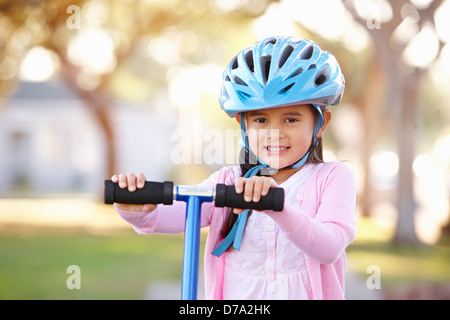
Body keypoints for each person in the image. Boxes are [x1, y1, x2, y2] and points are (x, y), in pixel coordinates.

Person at [112, 36, 356, 300]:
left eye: (291, 119)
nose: (274, 133)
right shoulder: (230, 180)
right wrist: (139, 210)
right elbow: (185, 211)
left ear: (321, 123)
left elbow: (330, 247)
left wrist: (276, 205)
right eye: (261, 120)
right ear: (243, 125)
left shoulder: (332, 178)